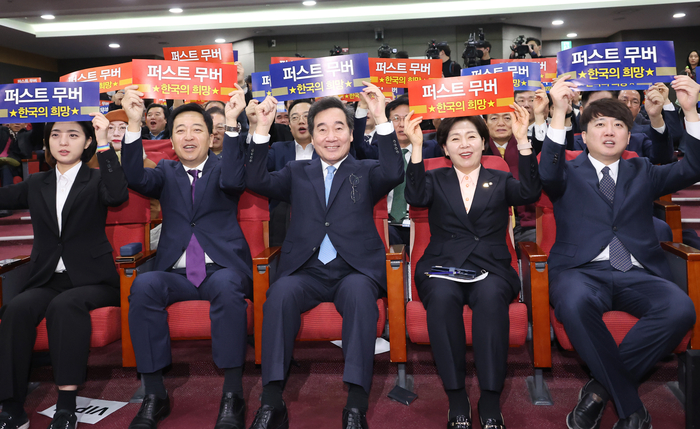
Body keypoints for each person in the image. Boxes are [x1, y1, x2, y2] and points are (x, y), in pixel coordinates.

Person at [540, 75, 700, 429]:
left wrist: (689, 110)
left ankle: (598, 390)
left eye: (618, 125)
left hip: (637, 273)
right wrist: (557, 111)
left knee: (680, 309)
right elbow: (545, 172)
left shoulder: (643, 170)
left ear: (629, 137)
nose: (609, 131)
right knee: (575, 304)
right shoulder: (564, 172)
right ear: (583, 136)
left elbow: (694, 167)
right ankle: (631, 407)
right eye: (599, 124)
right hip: (580, 272)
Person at [245, 83, 404, 429]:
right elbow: (254, 179)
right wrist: (261, 129)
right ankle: (272, 401)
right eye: (322, 129)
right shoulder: (295, 172)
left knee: (362, 298)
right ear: (311, 136)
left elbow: (395, 172)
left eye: (339, 128)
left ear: (350, 134)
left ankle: (355, 406)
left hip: (354, 271)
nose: (331, 136)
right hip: (306, 271)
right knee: (278, 297)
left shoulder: (366, 170)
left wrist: (382, 118)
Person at [120, 85, 253, 429]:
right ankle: (154, 393)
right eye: (180, 130)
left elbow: (238, 176)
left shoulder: (224, 169)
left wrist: (235, 122)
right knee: (145, 285)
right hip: (176, 273)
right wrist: (134, 123)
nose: (188, 136)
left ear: (212, 138)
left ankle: (232, 393)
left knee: (226, 286)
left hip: (220, 268)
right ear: (173, 140)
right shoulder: (165, 172)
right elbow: (133, 176)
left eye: (197, 129)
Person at [404, 103, 540, 429]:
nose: (464, 144)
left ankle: (490, 399)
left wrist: (523, 142)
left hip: (492, 267)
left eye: (471, 137)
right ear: (446, 148)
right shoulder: (435, 179)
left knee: (492, 298)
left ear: (483, 141)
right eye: (455, 139)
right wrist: (417, 149)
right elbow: (414, 195)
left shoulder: (501, 177)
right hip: (442, 265)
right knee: (441, 297)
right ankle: (457, 397)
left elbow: (530, 191)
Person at [0, 114, 128, 429]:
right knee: (16, 309)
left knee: (65, 305)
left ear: (86, 143)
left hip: (93, 280)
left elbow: (118, 195)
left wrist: (105, 143)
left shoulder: (96, 179)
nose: (63, 142)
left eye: (73, 135)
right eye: (56, 135)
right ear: (47, 142)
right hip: (48, 279)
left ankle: (67, 406)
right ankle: (12, 406)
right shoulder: (36, 183)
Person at [354, 95, 442, 246]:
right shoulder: (377, 150)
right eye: (396, 118)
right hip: (385, 224)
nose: (402, 124)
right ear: (387, 123)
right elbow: (357, 144)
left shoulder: (432, 148)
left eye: (408, 118)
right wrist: (362, 106)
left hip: (421, 222)